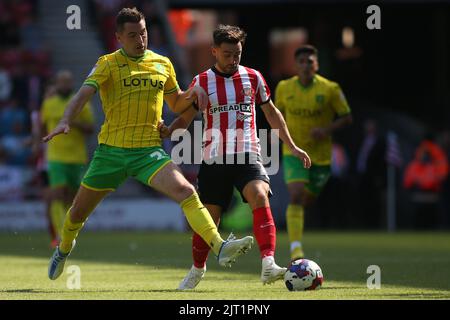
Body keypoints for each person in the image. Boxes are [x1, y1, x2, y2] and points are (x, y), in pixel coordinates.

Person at [44, 8, 253, 281]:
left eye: (143, 32)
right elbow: (83, 94)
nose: (140, 39)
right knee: (77, 214)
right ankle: (64, 248)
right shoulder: (107, 63)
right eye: (132, 35)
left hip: (148, 151)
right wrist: (65, 120)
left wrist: (193, 92)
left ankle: (219, 246)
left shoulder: (162, 63)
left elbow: (177, 102)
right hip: (111, 152)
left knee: (187, 190)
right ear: (118, 37)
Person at [159, 25, 311, 290]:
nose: (233, 60)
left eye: (237, 54)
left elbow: (272, 114)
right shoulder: (201, 81)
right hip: (214, 157)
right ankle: (197, 269)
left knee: (260, 195)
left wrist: (293, 146)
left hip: (248, 154)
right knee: (210, 218)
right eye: (227, 54)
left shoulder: (253, 78)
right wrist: (169, 132)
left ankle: (268, 264)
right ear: (214, 51)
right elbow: (186, 116)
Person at [274, 45, 352, 261]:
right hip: (294, 151)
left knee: (307, 200)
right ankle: (296, 248)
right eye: (302, 62)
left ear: (316, 65)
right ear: (296, 65)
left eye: (310, 62)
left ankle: (298, 227)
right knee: (296, 194)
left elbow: (347, 117)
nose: (306, 65)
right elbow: (276, 115)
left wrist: (326, 130)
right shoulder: (284, 88)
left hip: (321, 156)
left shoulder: (330, 89)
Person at [40, 71, 95, 245]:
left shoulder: (81, 104)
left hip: (77, 157)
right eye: (61, 82)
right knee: (57, 192)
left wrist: (71, 122)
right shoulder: (48, 104)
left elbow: (91, 129)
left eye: (68, 82)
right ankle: (60, 235)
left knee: (71, 196)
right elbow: (42, 126)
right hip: (56, 156)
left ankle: (68, 231)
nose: (65, 85)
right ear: (56, 84)